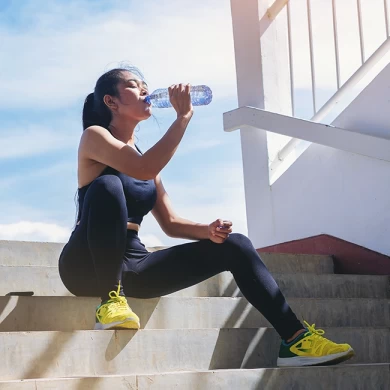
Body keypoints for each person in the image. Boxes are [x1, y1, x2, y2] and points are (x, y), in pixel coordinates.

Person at [58, 66, 354, 367]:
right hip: (86, 264)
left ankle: (295, 340)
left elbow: (171, 223)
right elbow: (144, 168)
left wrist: (208, 231)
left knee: (235, 244)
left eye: (147, 85)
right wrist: (183, 118)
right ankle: (110, 300)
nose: (146, 91)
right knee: (107, 185)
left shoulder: (146, 160)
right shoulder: (94, 137)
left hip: (133, 265)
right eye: (135, 86)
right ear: (111, 102)